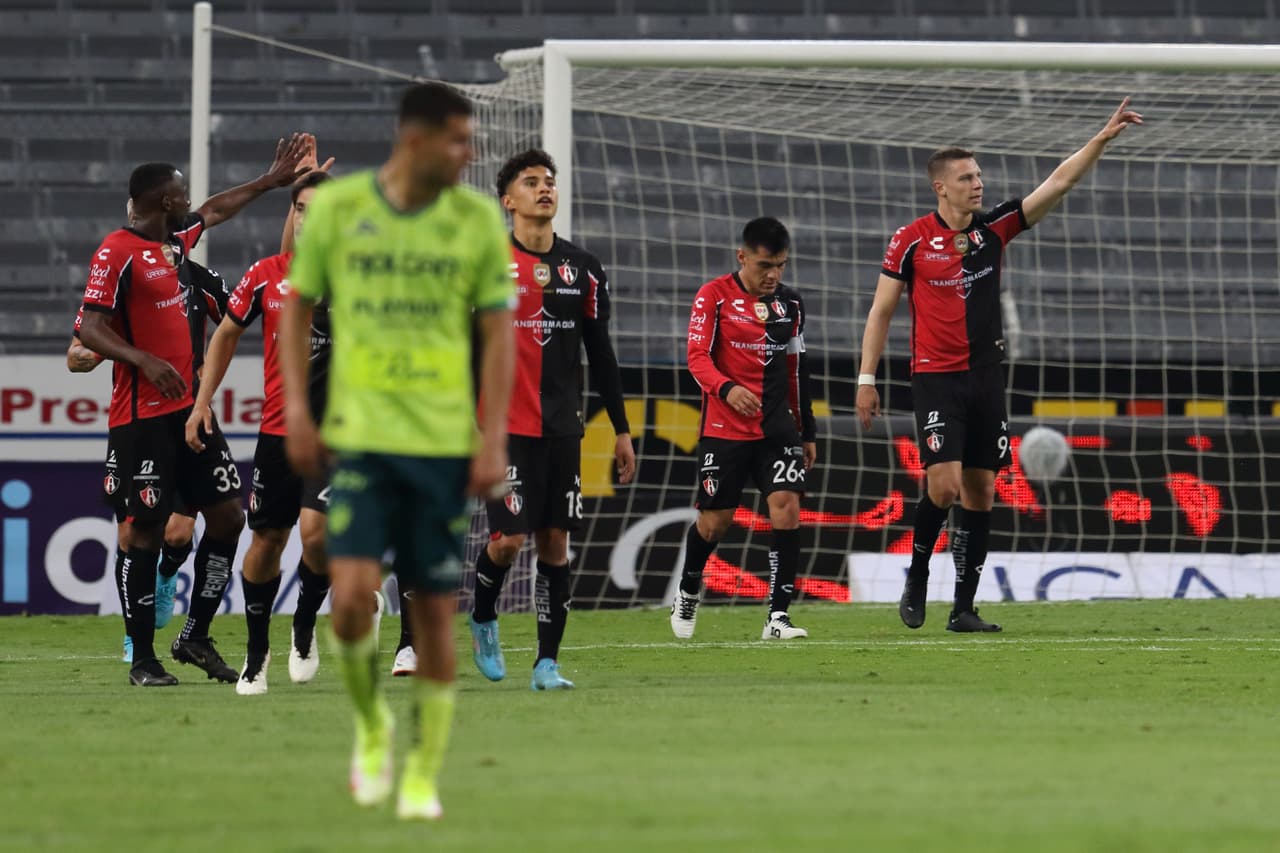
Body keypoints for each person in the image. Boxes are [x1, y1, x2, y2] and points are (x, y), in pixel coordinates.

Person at [279, 82, 515, 821]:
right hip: (360, 441)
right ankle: (372, 723)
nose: (468, 154)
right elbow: (295, 307)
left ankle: (422, 771)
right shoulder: (342, 212)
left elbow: (499, 334)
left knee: (434, 614)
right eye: (457, 140)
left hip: (441, 447)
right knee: (350, 603)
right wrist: (295, 408)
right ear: (414, 140)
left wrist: (493, 436)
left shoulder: (475, 220)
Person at [855, 98, 1143, 633]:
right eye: (966, 177)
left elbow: (1057, 183)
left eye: (979, 175)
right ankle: (917, 577)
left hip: (987, 378)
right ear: (940, 187)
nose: (977, 184)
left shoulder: (995, 230)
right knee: (942, 488)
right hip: (936, 380)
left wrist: (1101, 140)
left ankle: (963, 608)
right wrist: (866, 379)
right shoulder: (910, 240)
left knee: (982, 491)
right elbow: (880, 312)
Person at [394, 148, 635, 688]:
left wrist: (620, 430)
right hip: (500, 430)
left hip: (563, 430)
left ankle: (547, 663)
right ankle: (483, 615)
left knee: (555, 543)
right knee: (508, 541)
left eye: (549, 181)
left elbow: (602, 355)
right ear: (508, 201)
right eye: (531, 182)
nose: (544, 188)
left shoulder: (583, 270)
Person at [77, 135, 307, 686]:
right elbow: (88, 325)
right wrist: (144, 361)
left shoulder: (177, 246)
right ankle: (142, 659)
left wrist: (268, 183)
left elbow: (215, 210)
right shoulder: (116, 250)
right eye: (180, 195)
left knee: (228, 516)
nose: (189, 201)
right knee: (146, 534)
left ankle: (195, 635)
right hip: (141, 420)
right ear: (162, 202)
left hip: (192, 416)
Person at [185, 165, 380, 696]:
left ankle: (303, 623)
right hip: (278, 431)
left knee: (317, 535)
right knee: (267, 540)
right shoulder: (267, 273)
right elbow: (225, 334)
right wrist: (203, 402)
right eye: (300, 210)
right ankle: (255, 656)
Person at [670, 217, 817, 641]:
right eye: (764, 265)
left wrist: (807, 431)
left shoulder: (791, 305)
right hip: (724, 429)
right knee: (715, 523)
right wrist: (727, 388)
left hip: (777, 428)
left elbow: (796, 369)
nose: (773, 275)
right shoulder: (713, 297)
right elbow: (697, 358)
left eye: (781, 266)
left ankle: (778, 616)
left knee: (786, 506)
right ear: (742, 257)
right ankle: (688, 589)